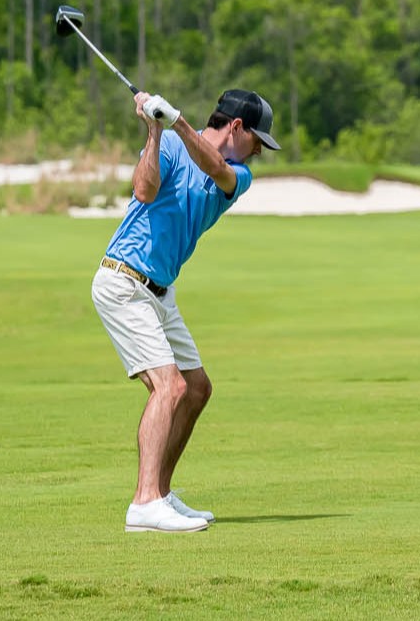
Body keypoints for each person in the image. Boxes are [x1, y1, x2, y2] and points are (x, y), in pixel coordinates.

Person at [92, 88, 280, 533]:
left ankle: (160, 493)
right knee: (169, 387)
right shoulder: (173, 143)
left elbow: (215, 168)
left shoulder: (237, 174)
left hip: (160, 292)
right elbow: (143, 189)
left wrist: (174, 120)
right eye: (257, 140)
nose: (258, 151)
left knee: (196, 388)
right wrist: (155, 132)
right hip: (123, 281)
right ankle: (143, 504)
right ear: (237, 128)